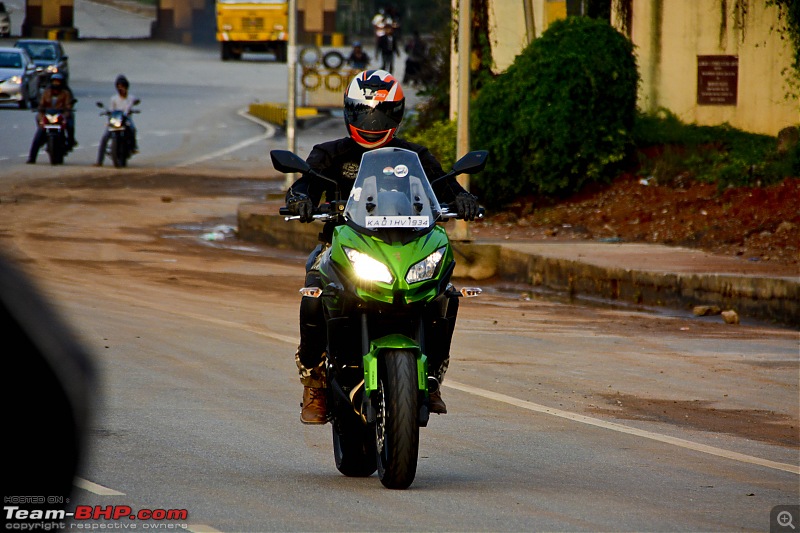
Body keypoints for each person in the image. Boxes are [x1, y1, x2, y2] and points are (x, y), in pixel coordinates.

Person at [284, 69, 480, 424]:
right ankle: (315, 380)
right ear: (348, 112)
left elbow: (446, 189)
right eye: (362, 113)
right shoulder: (328, 154)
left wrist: (464, 200)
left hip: (408, 246)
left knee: (445, 293)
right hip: (341, 245)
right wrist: (300, 201)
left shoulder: (414, 156)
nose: (371, 121)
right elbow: (304, 187)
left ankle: (432, 374)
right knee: (313, 293)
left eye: (381, 113)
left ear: (397, 114)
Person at [26, 73, 74, 164]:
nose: (56, 84)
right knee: (39, 135)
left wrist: (64, 115)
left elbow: (68, 107)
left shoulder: (66, 93)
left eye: (58, 82)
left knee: (70, 124)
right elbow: (41, 106)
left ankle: (70, 142)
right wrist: (41, 118)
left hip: (60, 116)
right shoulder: (46, 93)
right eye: (54, 82)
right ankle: (32, 158)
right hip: (47, 116)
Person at [95, 74, 139, 167]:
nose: (121, 88)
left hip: (126, 119)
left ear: (126, 87)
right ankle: (99, 161)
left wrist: (132, 107)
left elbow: (133, 104)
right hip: (116, 120)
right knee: (105, 137)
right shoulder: (114, 98)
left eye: (122, 86)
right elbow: (111, 109)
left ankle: (134, 147)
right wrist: (108, 113)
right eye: (119, 86)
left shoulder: (131, 98)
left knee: (133, 129)